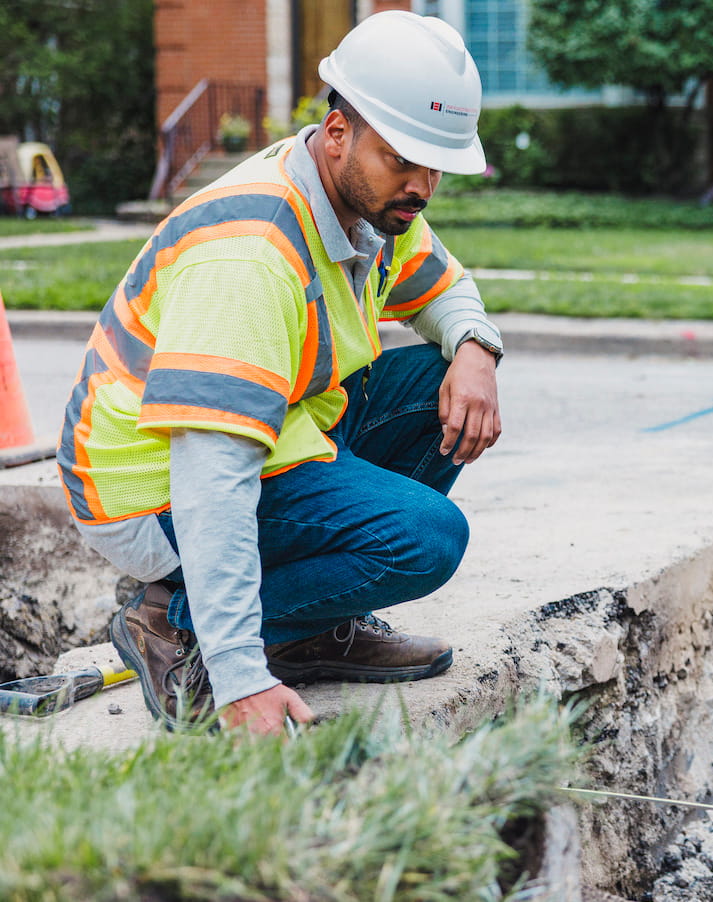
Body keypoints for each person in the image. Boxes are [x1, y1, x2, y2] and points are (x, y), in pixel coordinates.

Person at [56, 11, 504, 737]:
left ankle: (302, 628)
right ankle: (171, 621)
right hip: (155, 490)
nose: (422, 185)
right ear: (337, 135)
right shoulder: (252, 252)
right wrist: (240, 677)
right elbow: (211, 475)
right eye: (404, 160)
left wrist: (477, 348)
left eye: (436, 168)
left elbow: (446, 288)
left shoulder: (374, 203)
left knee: (437, 383)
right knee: (428, 539)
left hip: (275, 429)